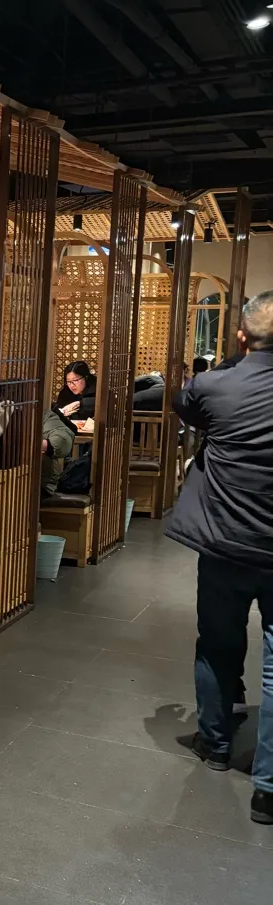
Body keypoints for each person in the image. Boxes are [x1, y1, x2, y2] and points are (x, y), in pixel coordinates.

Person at [166, 290, 273, 826]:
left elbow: (184, 405)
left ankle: (214, 744)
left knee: (217, 644)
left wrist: (237, 360)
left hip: (225, 543)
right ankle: (268, 789)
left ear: (240, 335)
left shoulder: (213, 385)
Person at [54, 360, 98, 426]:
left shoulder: (97, 388)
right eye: (68, 381)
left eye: (75, 380)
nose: (72, 385)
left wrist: (80, 403)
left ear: (86, 377)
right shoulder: (65, 392)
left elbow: (102, 402)